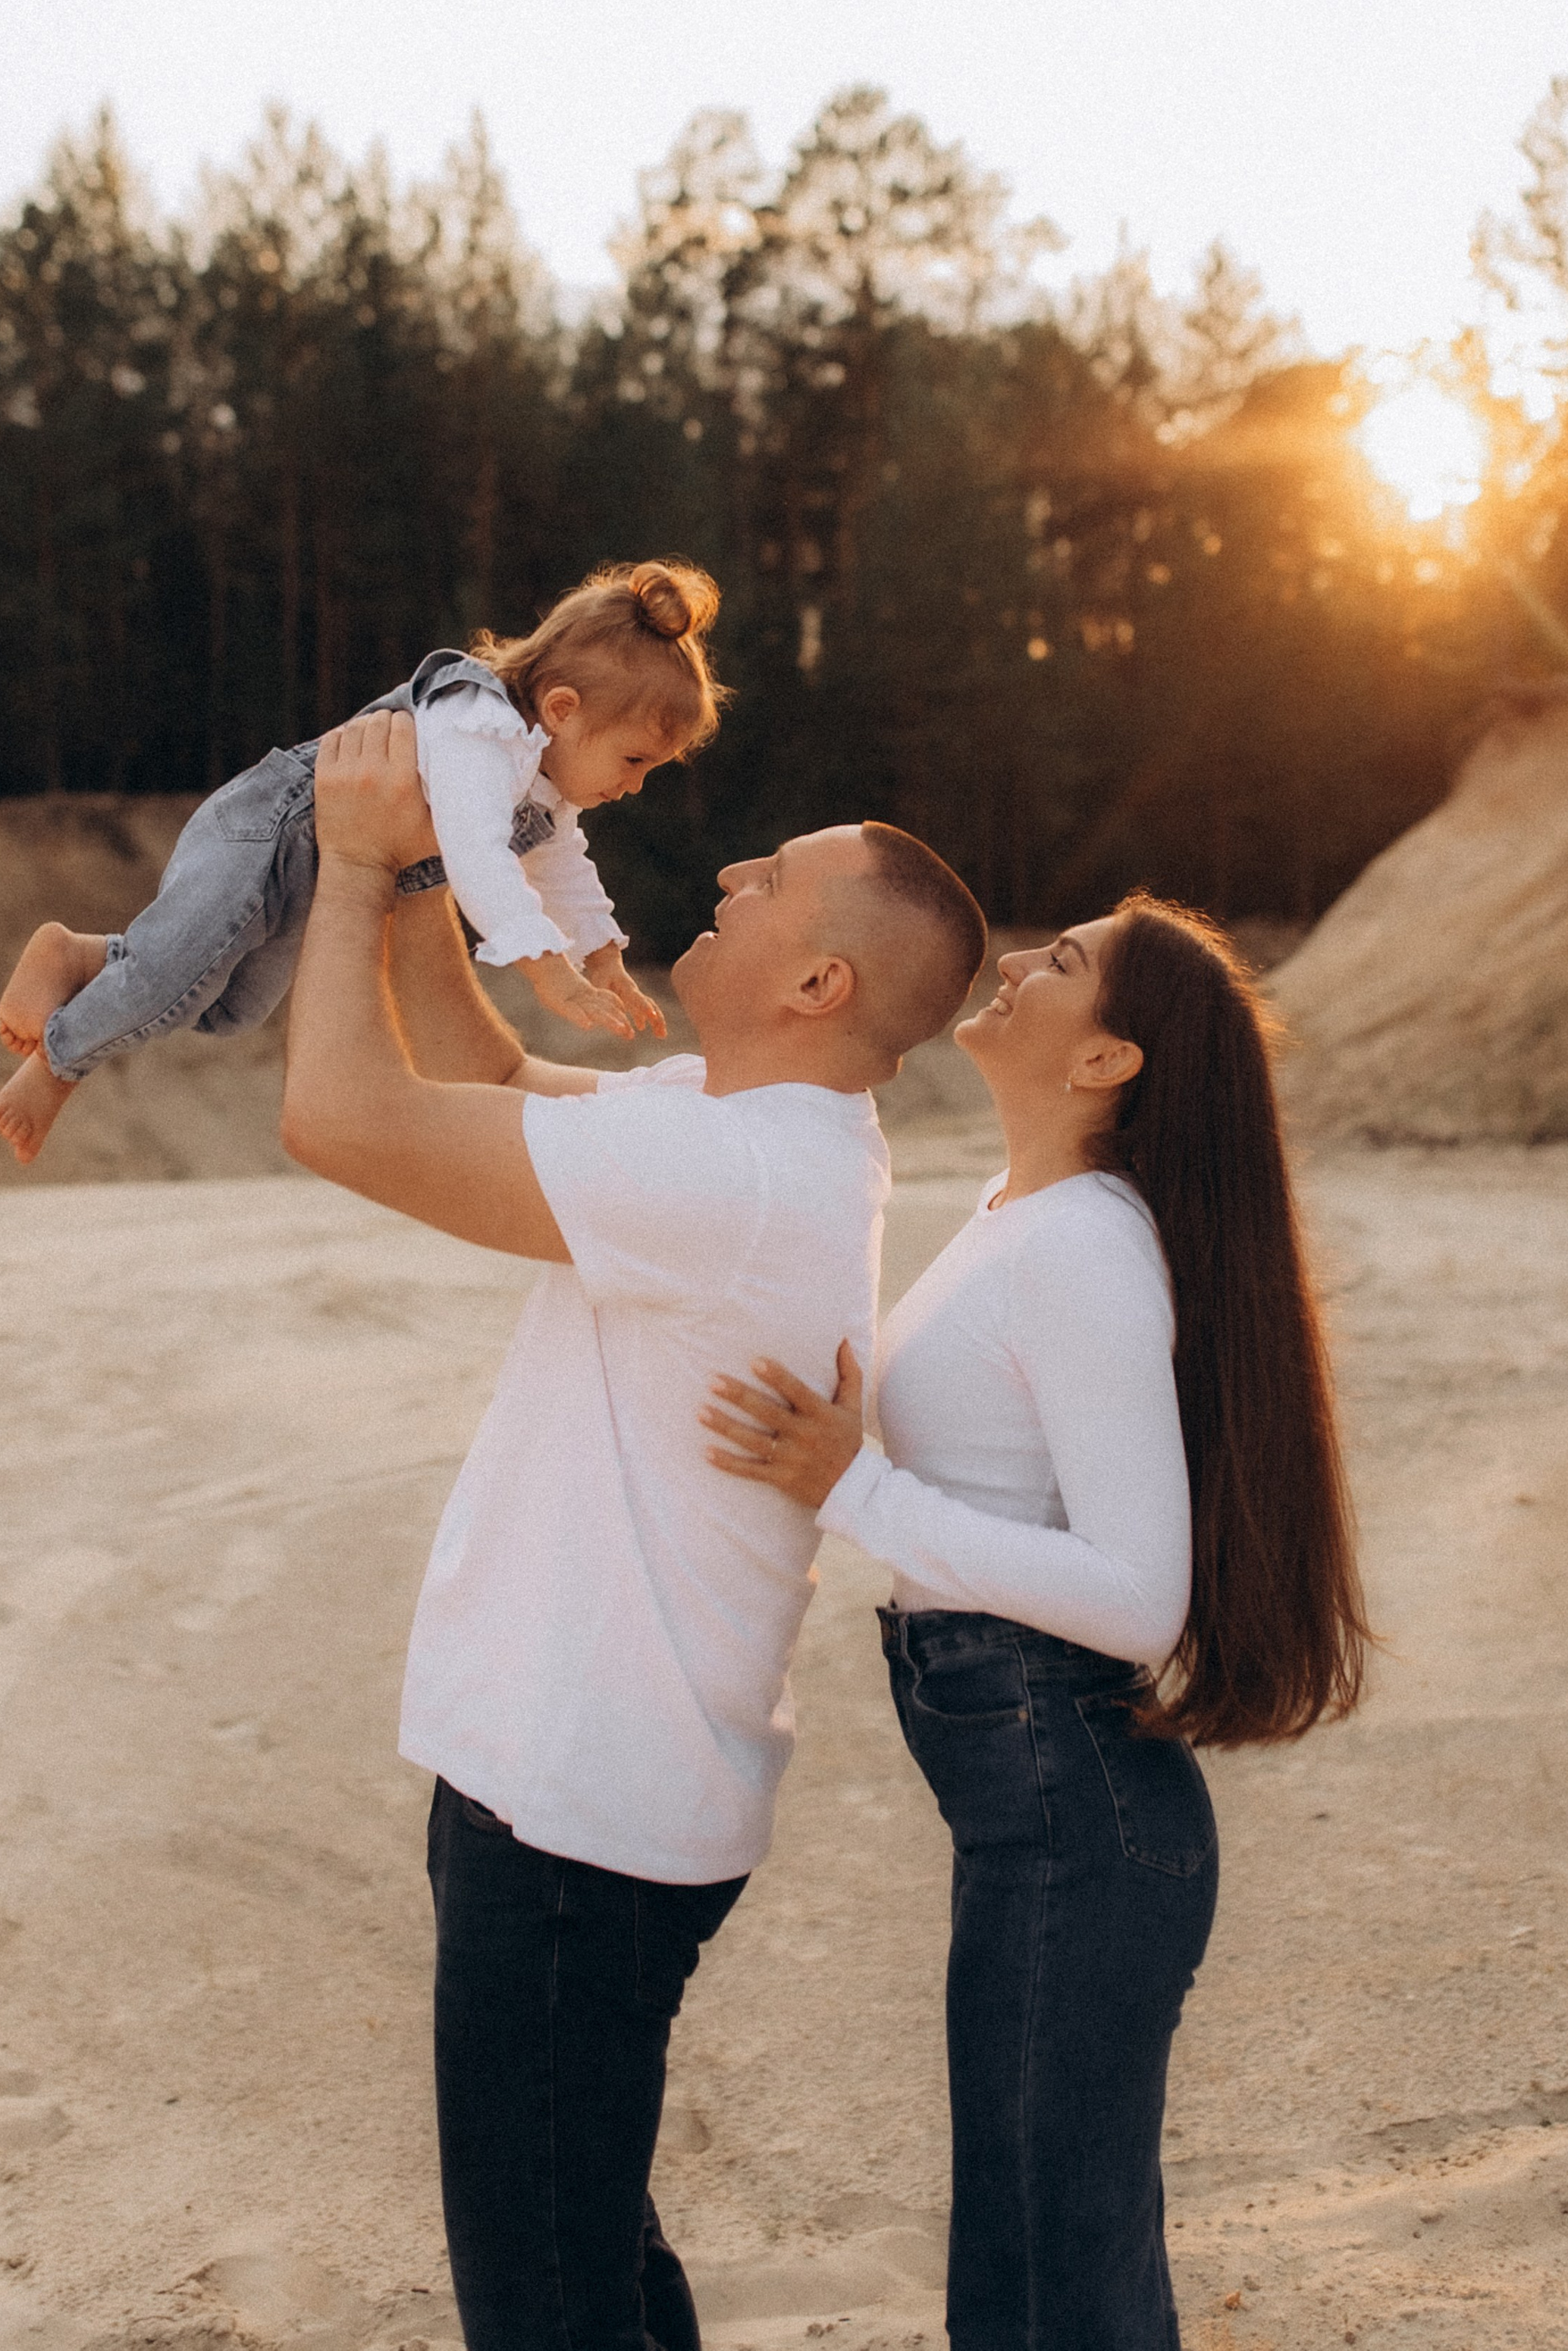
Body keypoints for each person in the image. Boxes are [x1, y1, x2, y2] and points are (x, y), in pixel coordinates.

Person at [279, 705, 989, 2351]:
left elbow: (340, 1119)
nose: (733, 869)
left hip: (575, 1814)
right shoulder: (748, 1136)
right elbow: (490, 1079)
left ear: (821, 987)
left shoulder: (724, 1174)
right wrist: (426, 869)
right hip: (599, 1792)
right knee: (587, 2246)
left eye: (775, 882)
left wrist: (342, 868)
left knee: (544, 2294)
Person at [702, 896, 1371, 2351]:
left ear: (1107, 1063)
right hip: (1047, 1812)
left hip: (1078, 1809)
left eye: (1060, 965)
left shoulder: (1081, 1249)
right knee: (1033, 2254)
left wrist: (855, 1487)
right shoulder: (1025, 1222)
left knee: (1048, 2274)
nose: (1017, 962)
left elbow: (1142, 1595)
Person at [0, 557, 726, 1166]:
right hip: (269, 833)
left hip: (314, 873)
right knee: (166, 983)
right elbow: (475, 856)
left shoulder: (543, 783)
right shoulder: (480, 728)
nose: (632, 785)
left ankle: (80, 955)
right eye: (634, 760)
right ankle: (57, 1065)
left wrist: (600, 955)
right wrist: (546, 968)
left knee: (226, 1011)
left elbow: (562, 865)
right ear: (561, 710)